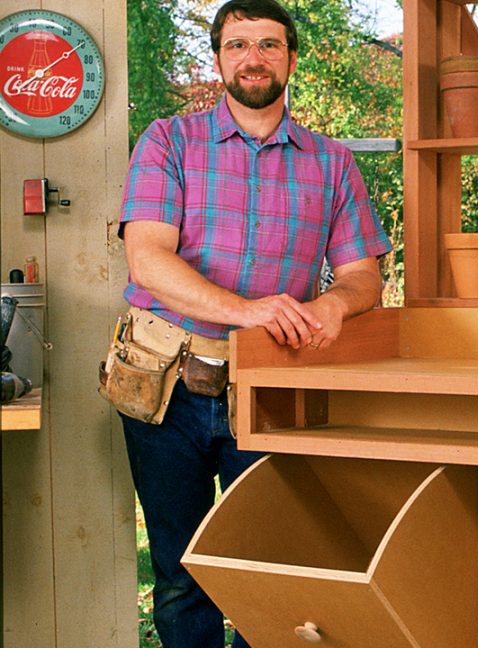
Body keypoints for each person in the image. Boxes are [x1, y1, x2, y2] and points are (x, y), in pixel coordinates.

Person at [112, 0, 392, 645]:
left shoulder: (332, 162)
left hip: (273, 385)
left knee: (275, 565)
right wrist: (249, 311)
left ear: (291, 59)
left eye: (268, 44)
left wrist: (334, 303)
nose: (253, 57)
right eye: (238, 45)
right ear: (219, 60)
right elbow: (148, 258)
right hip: (167, 383)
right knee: (182, 572)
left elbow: (363, 276)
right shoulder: (168, 140)